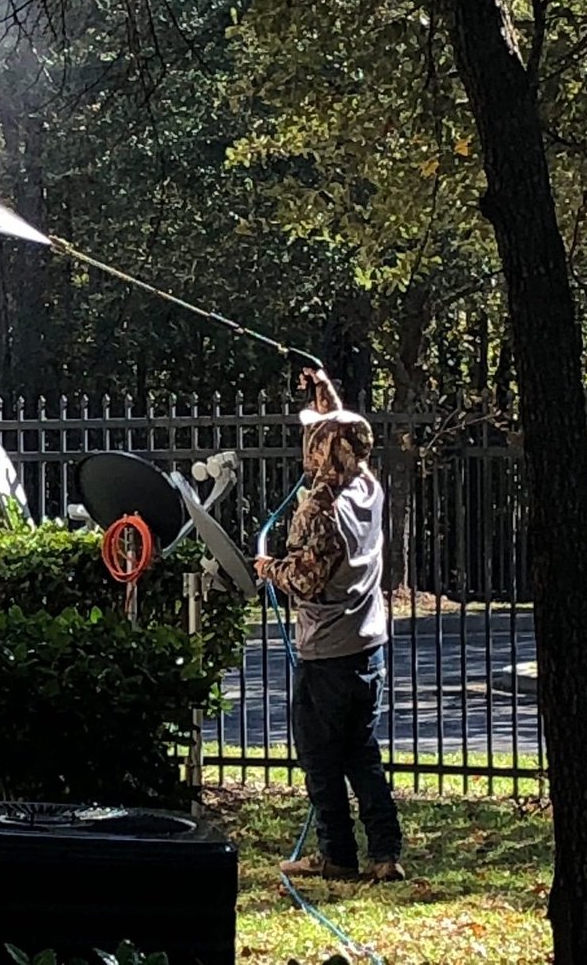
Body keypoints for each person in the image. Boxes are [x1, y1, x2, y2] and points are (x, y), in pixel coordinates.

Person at [254, 366, 405, 883]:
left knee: (320, 757)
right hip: (369, 646)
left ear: (320, 450)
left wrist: (267, 568)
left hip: (326, 653)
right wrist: (323, 390)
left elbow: (305, 579)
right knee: (361, 751)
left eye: (312, 438)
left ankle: (336, 854)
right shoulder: (367, 486)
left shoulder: (319, 509)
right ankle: (386, 853)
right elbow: (345, 437)